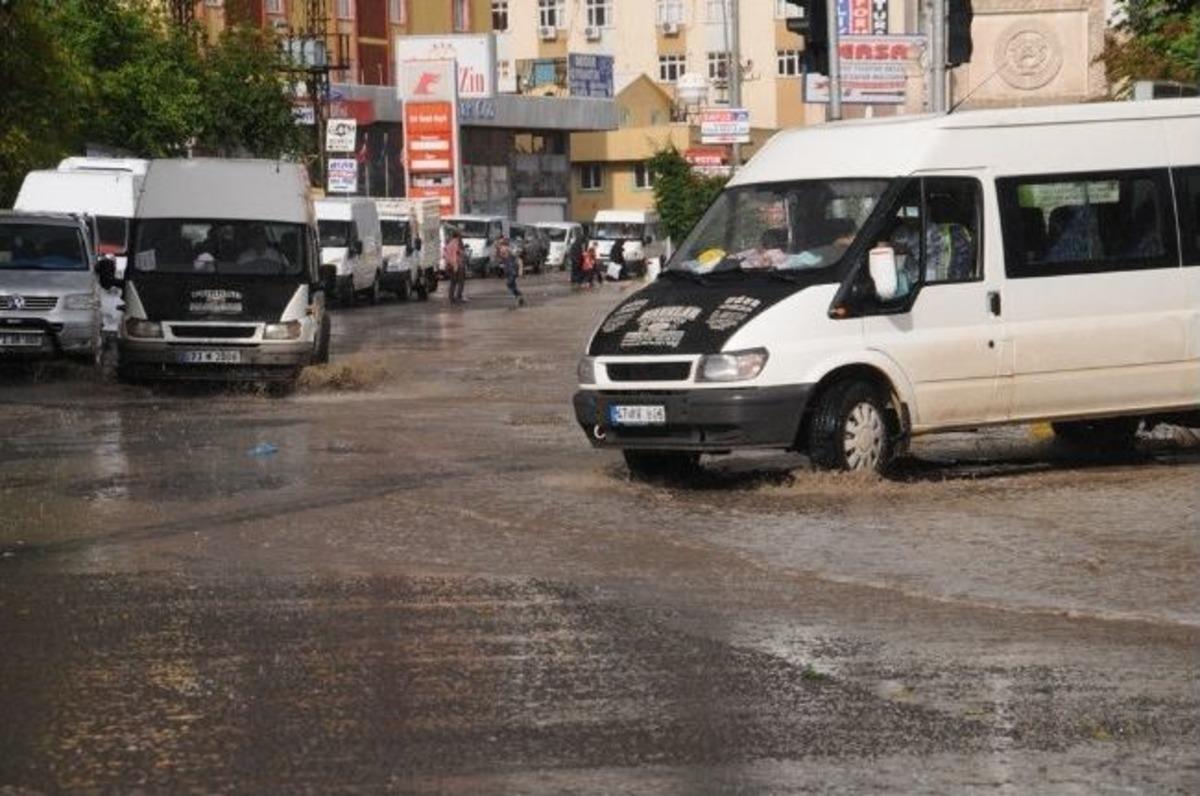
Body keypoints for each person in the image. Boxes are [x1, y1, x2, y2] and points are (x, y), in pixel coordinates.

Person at [496, 236, 525, 308]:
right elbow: (501, 260)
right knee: (511, 286)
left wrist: (520, 271)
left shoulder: (510, 251)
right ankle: (519, 298)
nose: (501, 247)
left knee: (509, 284)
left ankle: (519, 297)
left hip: (513, 271)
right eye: (500, 245)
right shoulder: (500, 252)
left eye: (501, 245)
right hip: (508, 271)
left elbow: (519, 260)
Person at [443, 229, 467, 304]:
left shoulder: (449, 243)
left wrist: (448, 263)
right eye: (460, 235)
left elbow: (445, 255)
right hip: (457, 265)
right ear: (458, 236)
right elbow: (454, 255)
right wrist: (455, 265)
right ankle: (458, 297)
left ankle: (451, 298)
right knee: (461, 282)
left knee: (453, 282)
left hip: (450, 265)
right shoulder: (456, 243)